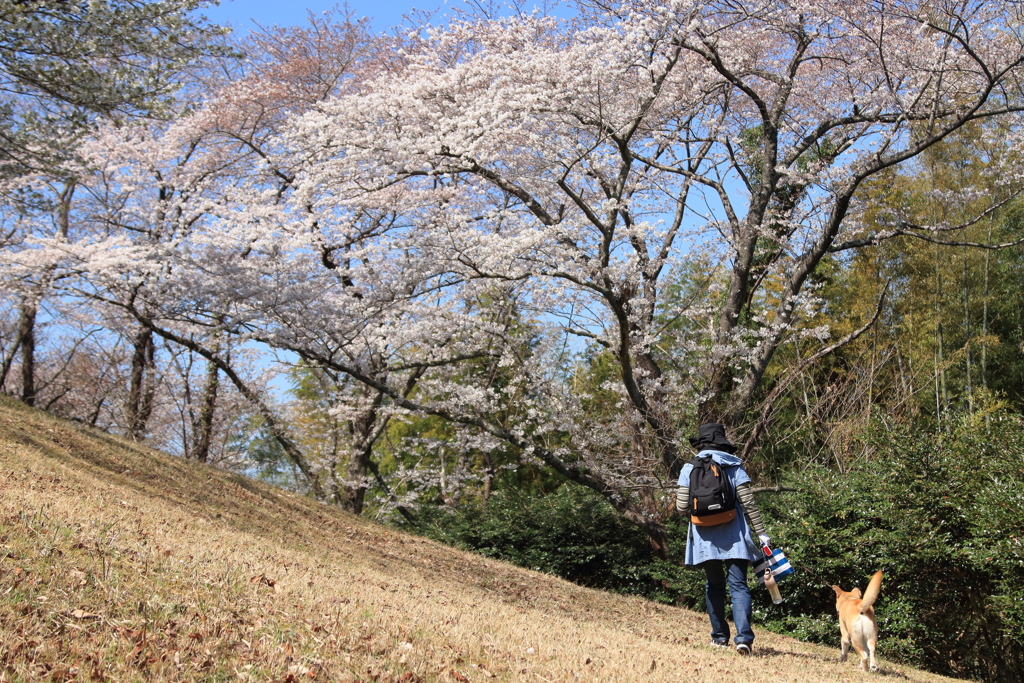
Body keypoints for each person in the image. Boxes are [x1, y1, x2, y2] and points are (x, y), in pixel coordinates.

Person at [676, 423, 770, 655]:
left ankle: (719, 638)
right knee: (738, 585)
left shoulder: (689, 468)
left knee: (714, 586)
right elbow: (748, 503)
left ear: (700, 443)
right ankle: (744, 639)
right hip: (735, 534)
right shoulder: (734, 465)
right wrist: (762, 533)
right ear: (722, 442)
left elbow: (680, 507)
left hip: (704, 536)